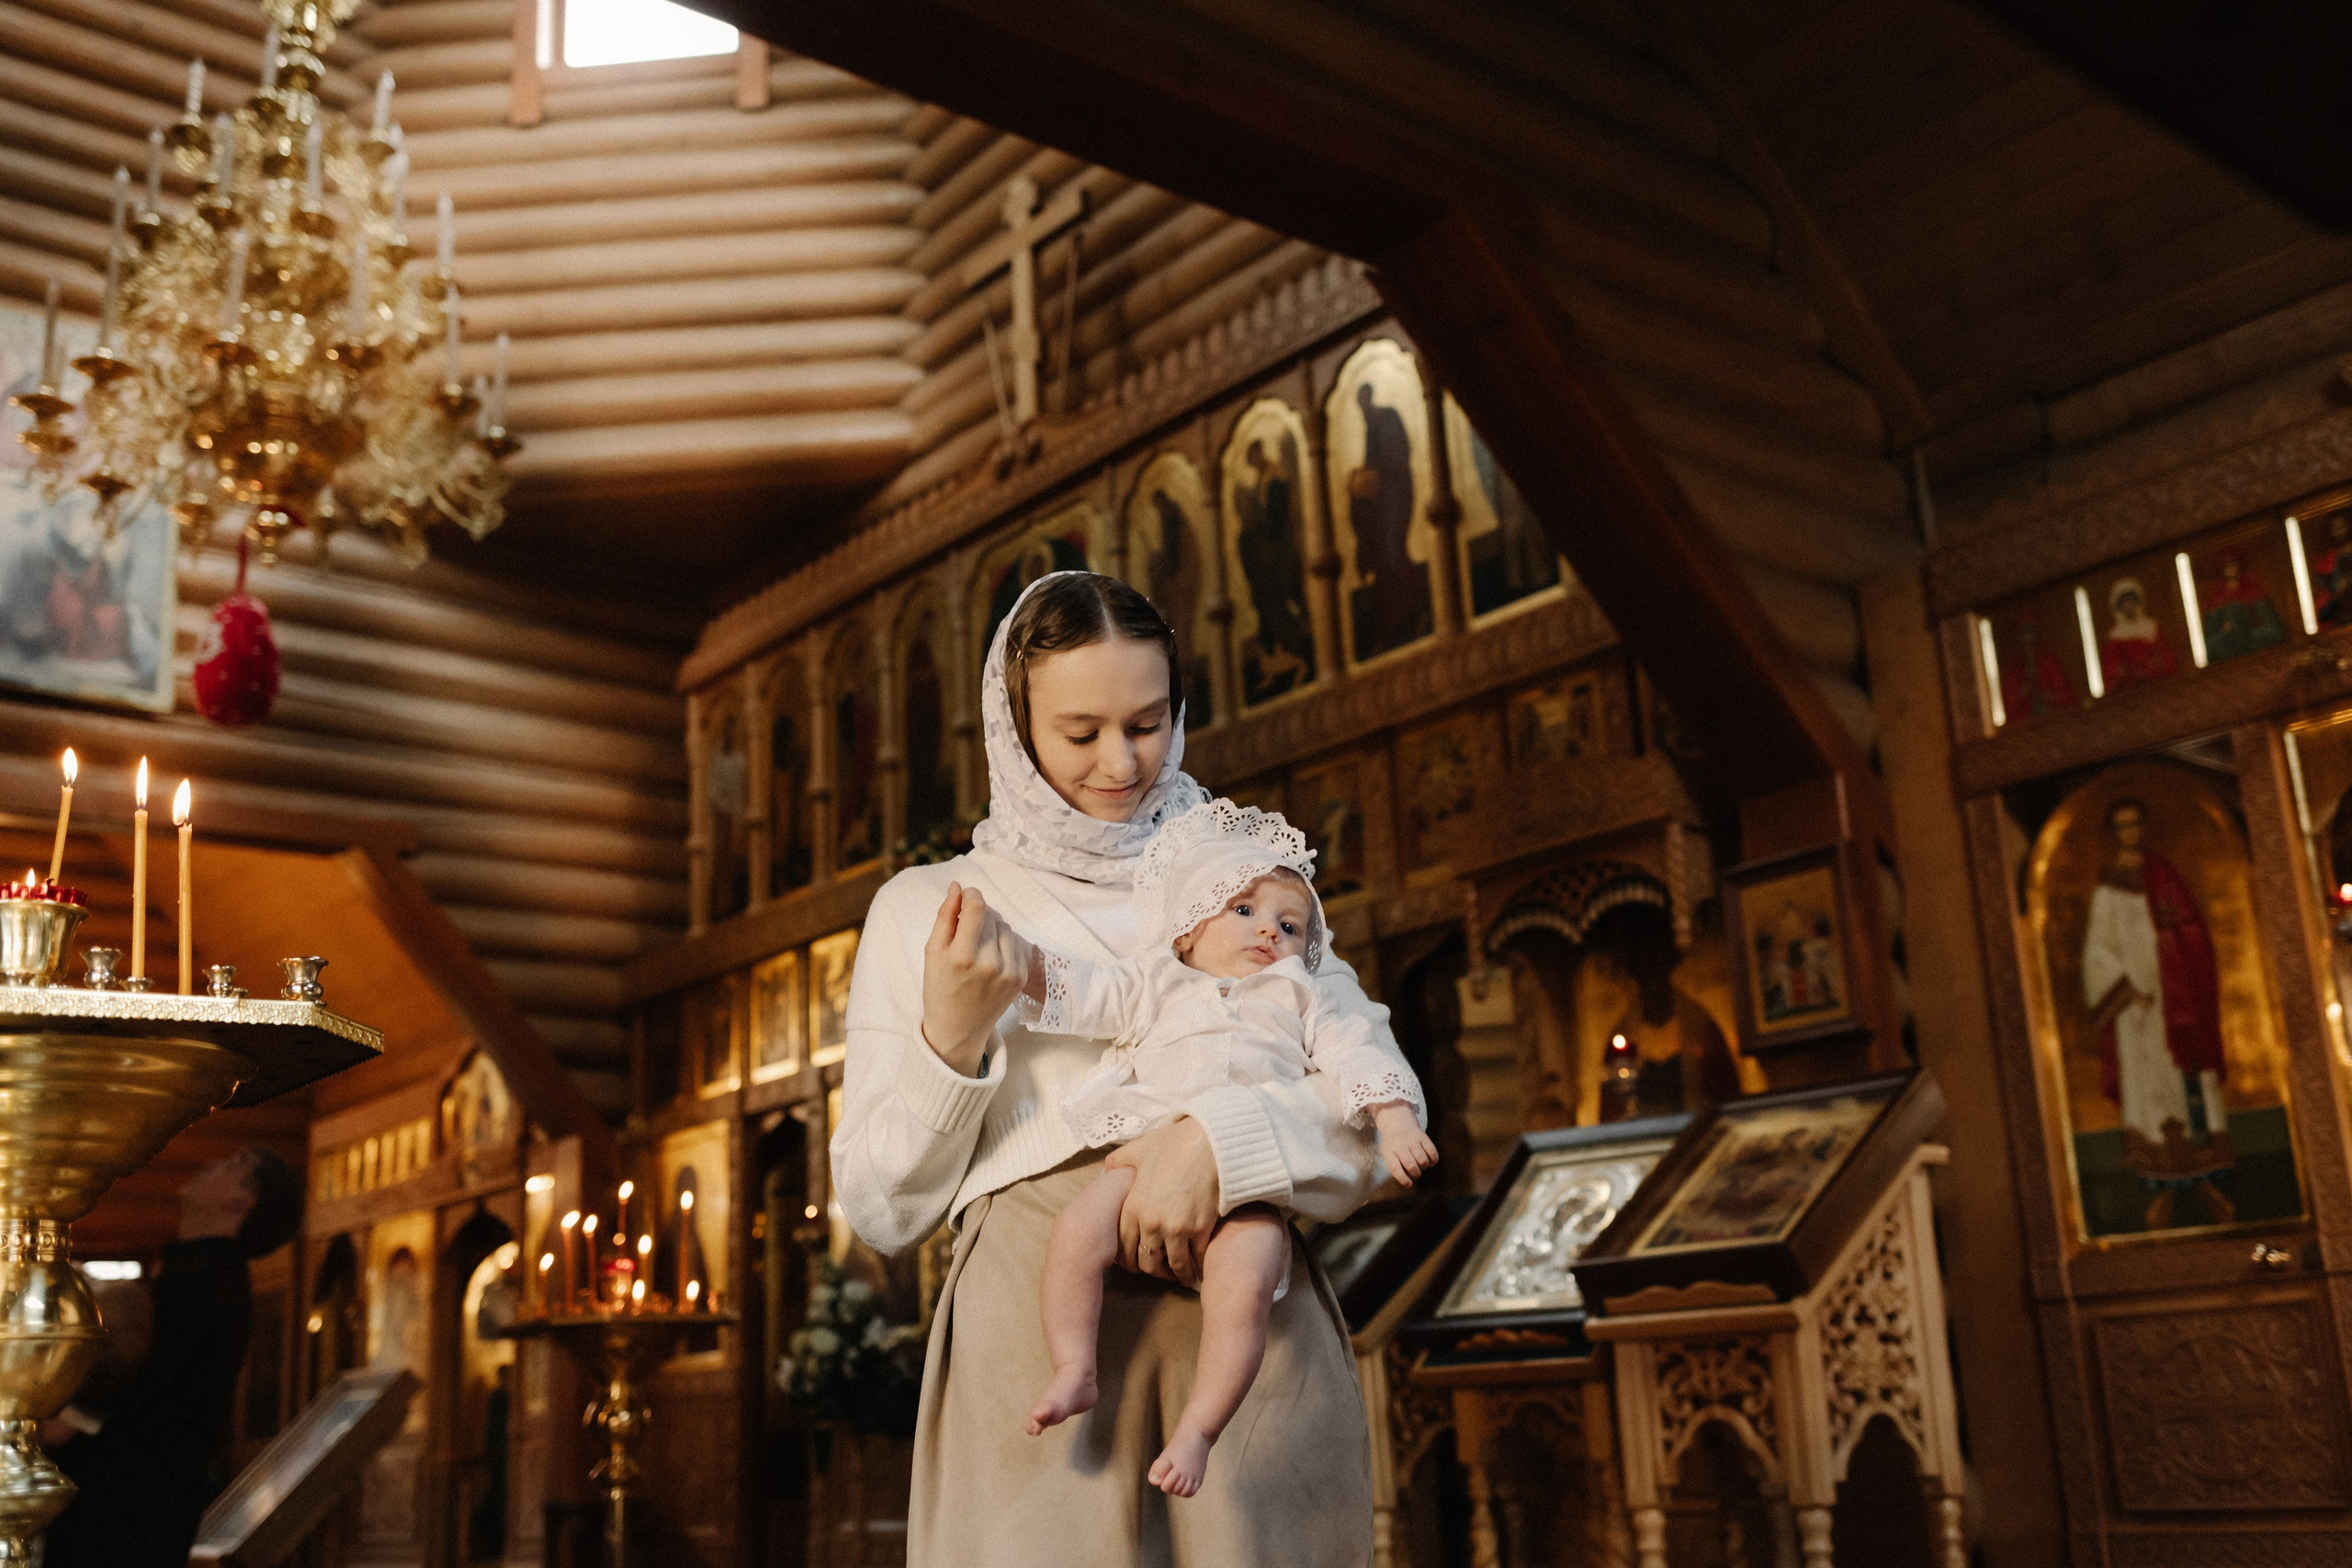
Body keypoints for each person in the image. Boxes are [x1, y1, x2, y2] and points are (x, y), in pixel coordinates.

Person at [833, 570, 1389, 1566]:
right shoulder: (929, 907)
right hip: (1036, 1336)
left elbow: (1366, 1110)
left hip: (1244, 1335)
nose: (1122, 762)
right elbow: (883, 1208)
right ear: (1013, 726)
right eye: (1080, 732)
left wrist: (1217, 1145)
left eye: (1147, 723)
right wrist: (950, 1042)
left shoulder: (1245, 883)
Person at [988, 799, 1430, 1495]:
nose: (1268, 930)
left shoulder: (1301, 996)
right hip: (1147, 1159)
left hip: (1252, 1187)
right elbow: (1088, 991)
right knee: (1075, 1230)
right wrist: (1017, 960)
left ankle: (1200, 1428)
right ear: (1189, 930)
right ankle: (1074, 1366)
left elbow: (1359, 1051)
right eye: (1243, 910)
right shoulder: (1159, 981)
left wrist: (1396, 1120)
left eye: (1290, 926)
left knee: (1244, 1288)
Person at [44, 1145, 304, 1567]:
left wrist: (67, 1420)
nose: (208, 1163)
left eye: (231, 1164)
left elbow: (136, 1383)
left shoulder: (207, 1282)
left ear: (240, 1201)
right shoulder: (198, 1273)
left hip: (125, 1516)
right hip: (123, 1506)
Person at [2082, 797, 2233, 1231]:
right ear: (2114, 833)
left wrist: (2177, 936)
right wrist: (2130, 991)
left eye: (2135, 824)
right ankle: (2163, 1190)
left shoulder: (2164, 875)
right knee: (2150, 1089)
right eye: (2121, 826)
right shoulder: (2108, 888)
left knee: (2189, 1084)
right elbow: (2097, 950)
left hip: (2176, 1001)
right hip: (2137, 1008)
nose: (2130, 832)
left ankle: (2206, 1183)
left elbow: (2194, 929)